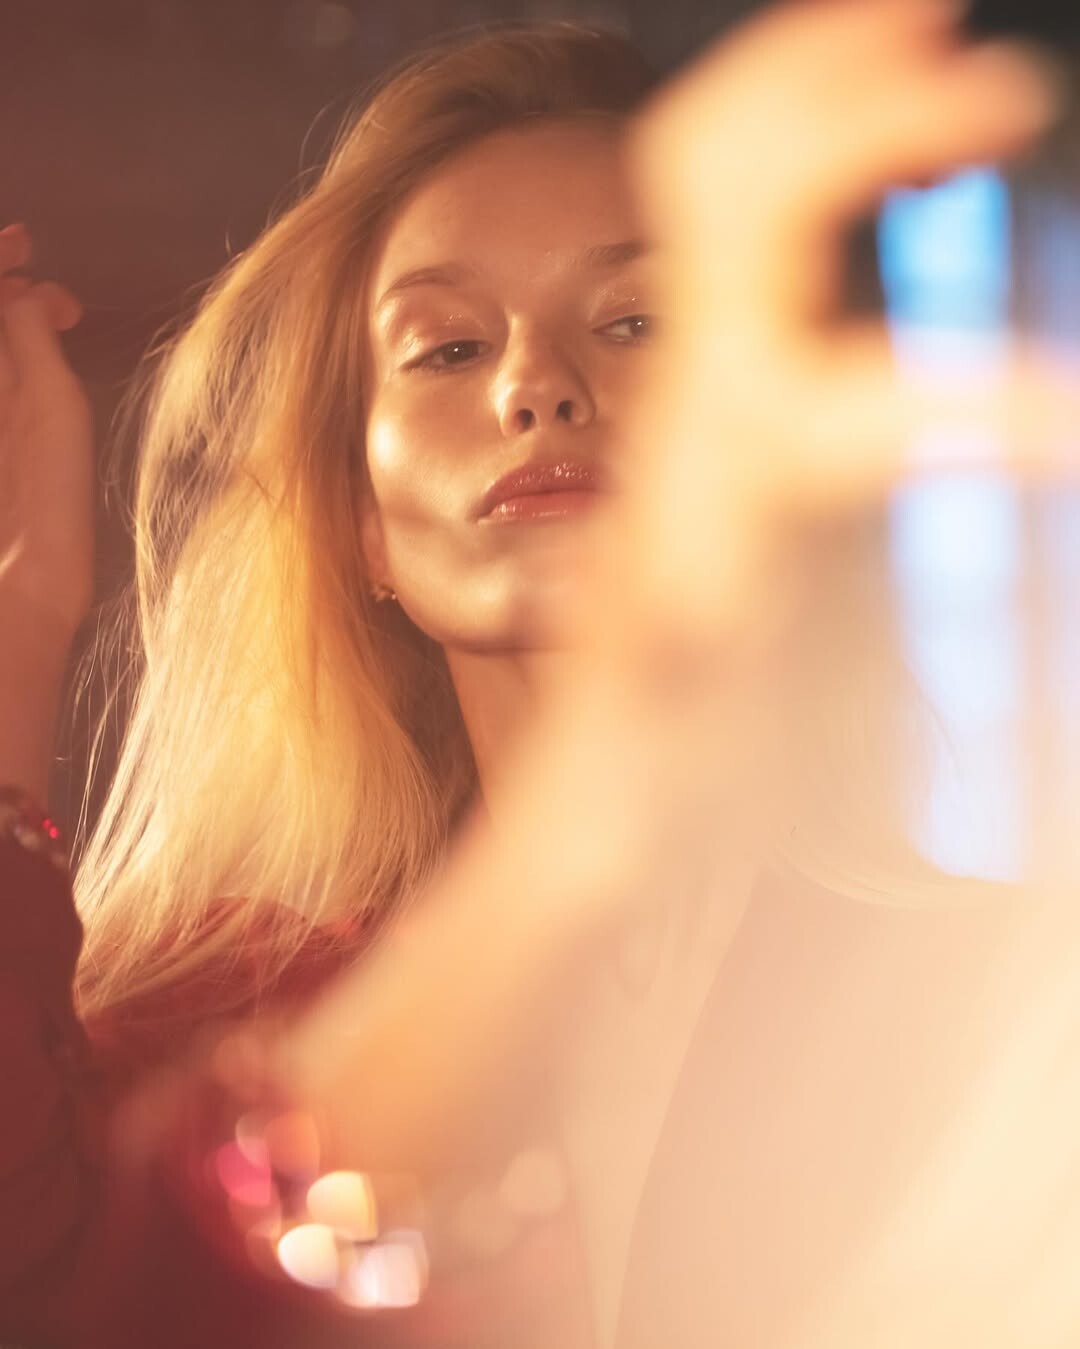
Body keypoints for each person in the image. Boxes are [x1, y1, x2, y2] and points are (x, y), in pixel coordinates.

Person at [0, 2, 1072, 1346]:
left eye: (636, 320)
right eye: (448, 346)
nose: (536, 385)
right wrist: (21, 621)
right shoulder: (209, 1040)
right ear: (363, 526)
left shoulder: (1017, 1003)